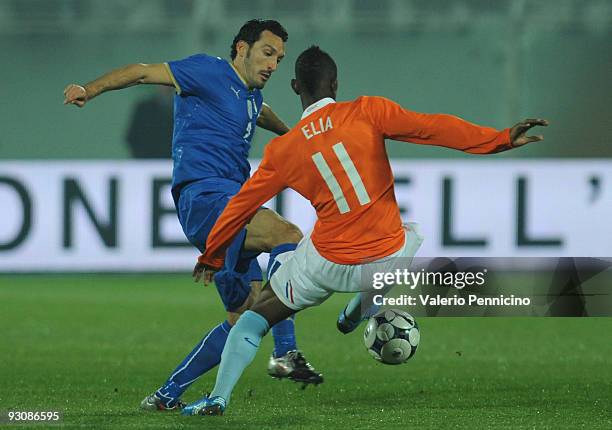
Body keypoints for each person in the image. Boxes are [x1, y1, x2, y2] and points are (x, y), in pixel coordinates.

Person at [181, 45, 549, 416]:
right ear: (336, 83)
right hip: (385, 258)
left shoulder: (283, 150)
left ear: (295, 87)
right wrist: (499, 139)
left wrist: (212, 255)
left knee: (252, 321)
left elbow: (239, 206)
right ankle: (360, 307)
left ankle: (217, 398)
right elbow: (433, 128)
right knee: (411, 233)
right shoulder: (369, 111)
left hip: (325, 265)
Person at [62, 19, 323, 411]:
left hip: (227, 203)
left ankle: (166, 395)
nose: (273, 64)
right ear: (241, 49)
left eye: (279, 59)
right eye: (267, 53)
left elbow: (261, 113)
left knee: (247, 318)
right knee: (286, 234)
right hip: (206, 197)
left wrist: (295, 139)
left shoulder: (251, 98)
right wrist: (90, 89)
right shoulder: (208, 70)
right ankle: (286, 353)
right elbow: (141, 72)